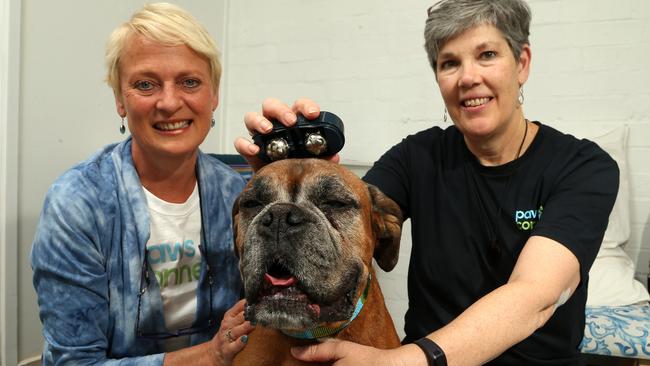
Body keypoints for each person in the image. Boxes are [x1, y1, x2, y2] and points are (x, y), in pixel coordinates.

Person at [235, 0, 619, 365]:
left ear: (522, 63)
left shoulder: (583, 167)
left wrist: (406, 361)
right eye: (449, 63)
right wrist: (279, 179)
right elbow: (348, 223)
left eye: (487, 55)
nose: (468, 78)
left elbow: (535, 295)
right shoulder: (417, 157)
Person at [30, 3, 253, 365]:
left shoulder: (235, 193)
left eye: (189, 82)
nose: (168, 102)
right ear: (120, 99)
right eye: (145, 84)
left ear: (213, 95)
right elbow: (74, 362)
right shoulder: (77, 204)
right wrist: (210, 355)